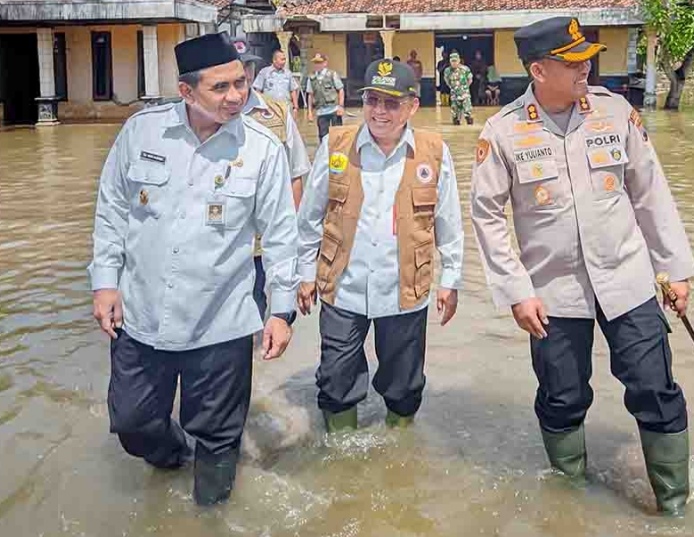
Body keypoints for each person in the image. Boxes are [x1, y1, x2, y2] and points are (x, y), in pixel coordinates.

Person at [470, 17, 694, 517]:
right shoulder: (503, 131)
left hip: (629, 280)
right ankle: (570, 506)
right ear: (537, 70)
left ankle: (675, 508)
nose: (586, 68)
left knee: (654, 388)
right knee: (562, 398)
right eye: (572, 62)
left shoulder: (615, 113)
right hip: (553, 293)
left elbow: (650, 191)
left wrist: (674, 268)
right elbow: (486, 215)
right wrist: (515, 290)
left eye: (586, 59)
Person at [88, 32, 299, 506]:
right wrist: (105, 283)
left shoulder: (262, 148)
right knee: (132, 425)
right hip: (142, 316)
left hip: (221, 323)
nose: (236, 97)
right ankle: (174, 457)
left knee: (220, 440)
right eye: (220, 88)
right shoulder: (142, 132)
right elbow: (112, 210)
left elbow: (283, 234)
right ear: (186, 91)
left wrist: (281, 311)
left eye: (240, 84)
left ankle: (209, 517)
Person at [296, 60, 464, 432]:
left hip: (405, 289)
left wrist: (450, 279)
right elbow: (309, 217)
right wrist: (305, 274)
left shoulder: (433, 151)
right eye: (372, 100)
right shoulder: (336, 144)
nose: (380, 112)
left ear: (412, 106)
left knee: (404, 387)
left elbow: (448, 223)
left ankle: (399, 456)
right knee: (336, 383)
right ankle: (341, 464)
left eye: (391, 103)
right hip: (342, 289)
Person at [241, 51, 311, 319]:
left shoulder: (277, 113)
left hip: (266, 234)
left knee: (262, 301)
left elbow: (295, 173)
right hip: (222, 238)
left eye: (245, 69)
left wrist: (294, 231)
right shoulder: (202, 115)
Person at [306, 53, 345, 141]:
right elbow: (310, 95)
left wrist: (341, 106)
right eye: (315, 63)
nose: (317, 65)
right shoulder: (311, 77)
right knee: (323, 136)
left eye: (319, 62)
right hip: (321, 111)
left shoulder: (332, 74)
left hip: (334, 109)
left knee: (337, 135)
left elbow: (341, 90)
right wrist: (309, 112)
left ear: (325, 63)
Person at [253, 49, 300, 117]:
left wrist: (295, 107)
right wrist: (263, 106)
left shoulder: (288, 73)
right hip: (270, 108)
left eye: (285, 59)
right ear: (274, 60)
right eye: (282, 59)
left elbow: (293, 90)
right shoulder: (264, 72)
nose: (284, 62)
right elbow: (257, 91)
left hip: (286, 107)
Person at [443, 52, 474, 125]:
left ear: (459, 60)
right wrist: (453, 87)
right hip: (454, 93)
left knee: (467, 108)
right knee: (455, 111)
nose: (454, 63)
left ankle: (468, 119)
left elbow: (470, 79)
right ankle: (456, 120)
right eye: (452, 61)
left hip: (464, 93)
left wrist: (465, 88)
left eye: (455, 61)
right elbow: (447, 80)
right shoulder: (447, 71)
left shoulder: (465, 69)